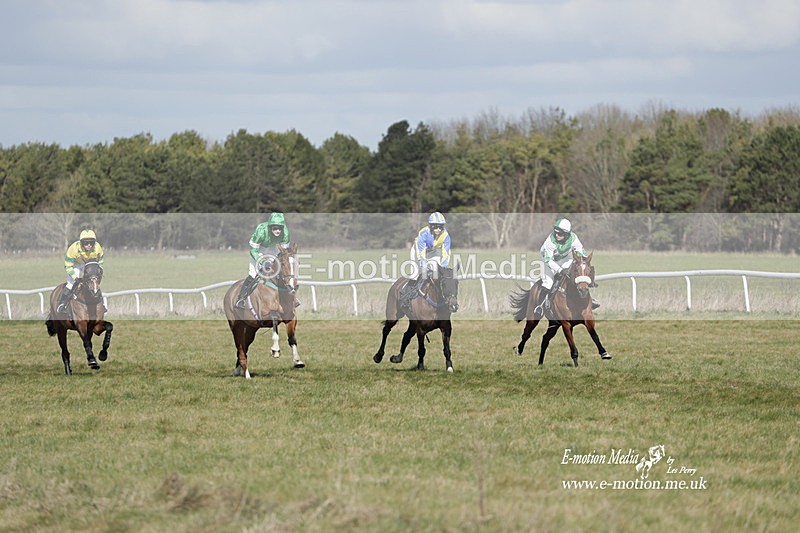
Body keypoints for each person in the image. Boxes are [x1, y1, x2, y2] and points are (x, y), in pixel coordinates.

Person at [536, 217, 599, 316]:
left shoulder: (573, 238)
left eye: (560, 233)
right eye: (556, 232)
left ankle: (588, 299)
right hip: (549, 260)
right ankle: (540, 306)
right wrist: (560, 270)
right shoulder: (550, 242)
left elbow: (582, 253)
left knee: (575, 273)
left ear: (567, 234)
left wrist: (585, 264)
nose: (557, 235)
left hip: (563, 259)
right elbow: (549, 260)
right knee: (548, 282)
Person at [235, 212, 295, 309]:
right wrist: (262, 262)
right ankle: (241, 298)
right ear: (270, 227)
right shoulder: (261, 230)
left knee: (282, 272)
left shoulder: (286, 233)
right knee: (254, 274)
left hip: (274, 249)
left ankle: (291, 297)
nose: (278, 230)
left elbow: (284, 253)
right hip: (258, 250)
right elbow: (253, 250)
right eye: (275, 228)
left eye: (280, 228)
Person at [401, 212, 452, 308]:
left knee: (437, 272)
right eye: (436, 227)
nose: (438, 229)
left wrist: (443, 268)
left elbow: (446, 253)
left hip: (433, 251)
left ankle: (439, 296)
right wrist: (423, 266)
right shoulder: (423, 233)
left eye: (441, 227)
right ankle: (406, 297)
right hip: (418, 251)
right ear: (431, 226)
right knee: (415, 273)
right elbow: (421, 254)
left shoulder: (446, 235)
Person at [56, 229, 105, 313]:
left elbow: (100, 262)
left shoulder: (97, 248)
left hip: (89, 265)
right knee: (71, 284)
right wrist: (75, 278)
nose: (89, 245)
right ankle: (62, 304)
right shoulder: (73, 249)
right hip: (75, 265)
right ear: (81, 242)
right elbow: (68, 266)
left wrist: (98, 272)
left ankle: (101, 304)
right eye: (86, 243)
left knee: (94, 283)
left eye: (91, 243)